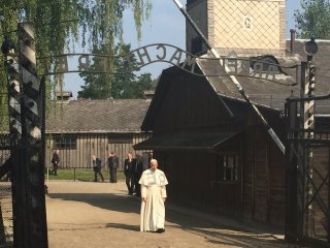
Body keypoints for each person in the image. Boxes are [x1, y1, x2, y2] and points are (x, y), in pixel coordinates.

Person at [139, 159, 168, 233]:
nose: (154, 166)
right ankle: (150, 227)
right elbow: (143, 186)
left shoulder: (161, 173)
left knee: (160, 210)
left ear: (157, 165)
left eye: (155, 165)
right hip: (149, 194)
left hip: (158, 194)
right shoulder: (145, 173)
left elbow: (163, 186)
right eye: (152, 165)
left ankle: (160, 226)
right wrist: (143, 195)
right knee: (150, 211)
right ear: (150, 165)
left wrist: (164, 195)